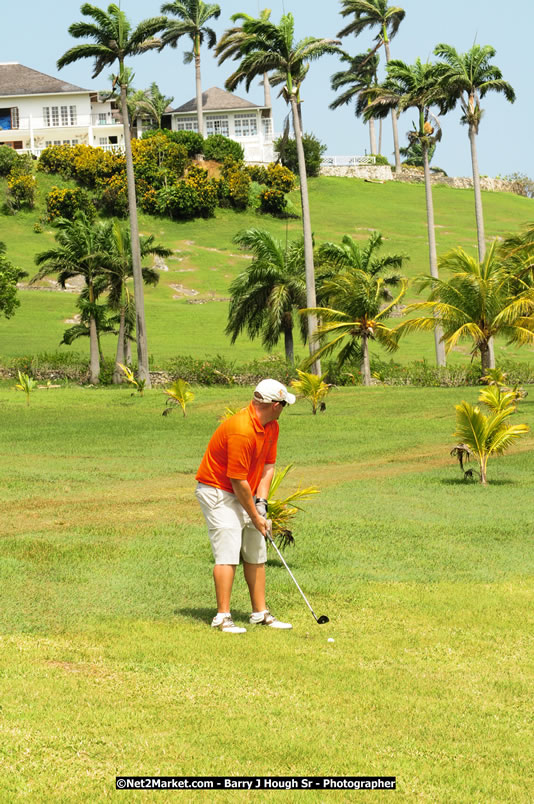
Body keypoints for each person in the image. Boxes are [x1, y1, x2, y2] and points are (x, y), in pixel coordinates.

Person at [195, 378, 296, 634]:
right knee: (228, 548)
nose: (285, 408)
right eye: (284, 403)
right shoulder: (241, 429)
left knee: (256, 547)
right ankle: (223, 617)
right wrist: (253, 512)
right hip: (217, 490)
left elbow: (267, 467)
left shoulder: (271, 427)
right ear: (274, 405)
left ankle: (260, 613)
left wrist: (261, 505)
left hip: (245, 492)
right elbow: (236, 479)